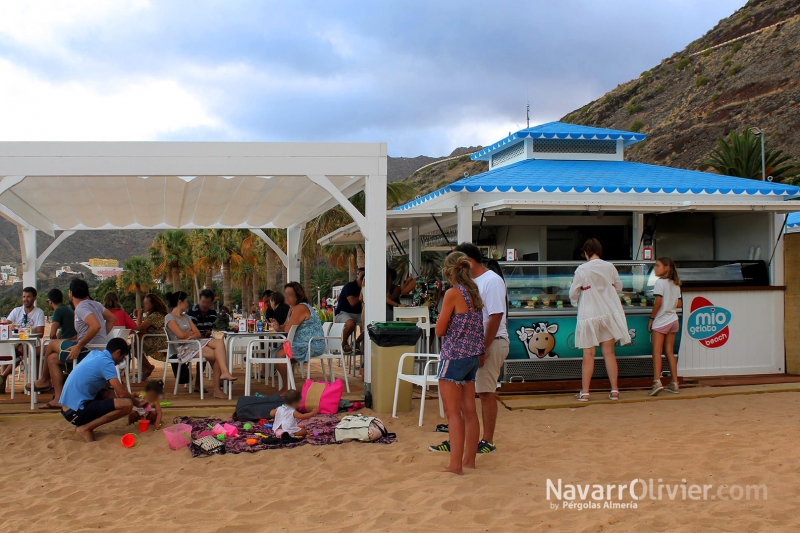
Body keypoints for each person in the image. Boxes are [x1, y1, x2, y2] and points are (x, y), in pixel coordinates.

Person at [429, 252, 484, 474]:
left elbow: (440, 330)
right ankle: (469, 460)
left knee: (453, 414)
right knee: (470, 411)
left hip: (454, 356)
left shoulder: (453, 293)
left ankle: (455, 465)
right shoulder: (473, 292)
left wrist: (446, 319)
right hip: (472, 356)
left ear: (448, 271)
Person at [453, 243, 508, 454]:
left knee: (486, 392)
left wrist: (483, 348)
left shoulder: (492, 281)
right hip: (473, 344)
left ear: (469, 261)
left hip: (491, 342)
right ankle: (465, 437)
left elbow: (495, 316)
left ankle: (487, 441)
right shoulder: (470, 282)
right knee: (465, 393)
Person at [38, 279, 116, 410]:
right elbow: (112, 318)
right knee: (52, 359)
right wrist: (101, 338)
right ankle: (58, 398)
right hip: (99, 350)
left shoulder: (81, 307)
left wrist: (79, 345)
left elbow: (95, 326)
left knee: (51, 344)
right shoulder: (95, 304)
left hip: (88, 352)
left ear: (70, 293)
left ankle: (44, 380)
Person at [569, 238, 631, 402]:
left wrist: (577, 300)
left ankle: (586, 392)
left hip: (589, 313)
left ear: (586, 253)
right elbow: (618, 286)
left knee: (588, 354)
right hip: (607, 312)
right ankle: (614, 390)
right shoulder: (609, 266)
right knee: (609, 353)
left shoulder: (582, 269)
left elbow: (573, 292)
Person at [59, 338, 141, 442]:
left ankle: (85, 426)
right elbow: (121, 394)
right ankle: (86, 428)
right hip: (76, 412)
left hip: (68, 409)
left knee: (108, 393)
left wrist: (133, 395)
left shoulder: (95, 354)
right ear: (118, 352)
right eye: (123, 358)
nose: (121, 362)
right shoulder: (107, 363)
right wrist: (138, 403)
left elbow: (113, 394)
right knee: (128, 404)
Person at [164, 291, 236, 399]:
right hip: (183, 349)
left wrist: (188, 335)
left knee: (219, 342)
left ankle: (224, 373)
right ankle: (218, 387)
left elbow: (197, 333)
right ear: (180, 302)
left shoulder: (186, 317)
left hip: (194, 344)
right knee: (217, 354)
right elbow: (181, 335)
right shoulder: (169, 317)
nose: (187, 304)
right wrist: (189, 334)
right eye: (186, 302)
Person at [268, 282, 325, 394]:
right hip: (301, 343)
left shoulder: (301, 307)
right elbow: (285, 327)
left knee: (280, 355)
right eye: (286, 294)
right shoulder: (292, 308)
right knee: (278, 353)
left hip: (312, 344)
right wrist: (278, 327)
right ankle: (289, 385)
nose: (287, 296)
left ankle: (286, 387)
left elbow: (288, 328)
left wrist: (282, 328)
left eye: (290, 294)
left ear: (298, 295)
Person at [25, 289, 76, 395]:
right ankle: (42, 380)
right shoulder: (67, 309)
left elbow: (52, 334)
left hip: (66, 345)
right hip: (71, 342)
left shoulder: (58, 311)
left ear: (50, 301)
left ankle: (44, 379)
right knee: (40, 353)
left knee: (33, 351)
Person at [1, 286, 46, 392]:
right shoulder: (17, 311)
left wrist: (25, 331)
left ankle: (3, 376)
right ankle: (2, 379)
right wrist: (10, 326)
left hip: (30, 344)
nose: (25, 299)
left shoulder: (39, 312)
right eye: (24, 297)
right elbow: (4, 325)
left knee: (19, 350)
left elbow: (41, 333)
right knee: (11, 350)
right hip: (15, 343)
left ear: (34, 298)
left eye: (28, 297)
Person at [648, 257, 682, 396]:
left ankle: (657, 381)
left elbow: (658, 303)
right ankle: (675, 383)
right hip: (673, 320)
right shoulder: (675, 283)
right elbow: (679, 304)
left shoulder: (659, 283)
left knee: (656, 352)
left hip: (661, 321)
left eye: (657, 265)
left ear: (666, 268)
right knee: (669, 352)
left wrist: (651, 318)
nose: (655, 268)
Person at [134, 293, 168, 380]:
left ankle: (148, 367)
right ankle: (145, 369)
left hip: (158, 340)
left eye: (146, 303)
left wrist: (139, 316)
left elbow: (138, 327)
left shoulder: (155, 315)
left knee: (134, 347)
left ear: (153, 304)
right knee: (136, 343)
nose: (144, 305)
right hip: (156, 338)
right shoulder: (156, 314)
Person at [334, 267, 364, 350]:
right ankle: (344, 342)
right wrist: (362, 292)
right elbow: (352, 302)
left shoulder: (367, 287)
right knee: (351, 323)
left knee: (371, 326)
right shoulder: (349, 286)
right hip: (343, 313)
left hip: (358, 314)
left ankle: (357, 342)